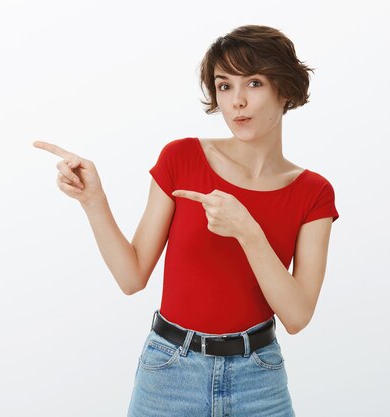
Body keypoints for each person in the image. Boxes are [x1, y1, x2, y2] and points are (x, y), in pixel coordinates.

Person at [33, 24, 339, 417]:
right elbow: (132, 277)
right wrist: (93, 200)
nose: (237, 102)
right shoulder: (182, 158)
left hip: (259, 379)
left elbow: (297, 316)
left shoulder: (313, 192)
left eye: (255, 83)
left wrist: (247, 231)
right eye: (225, 86)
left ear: (286, 90)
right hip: (168, 373)